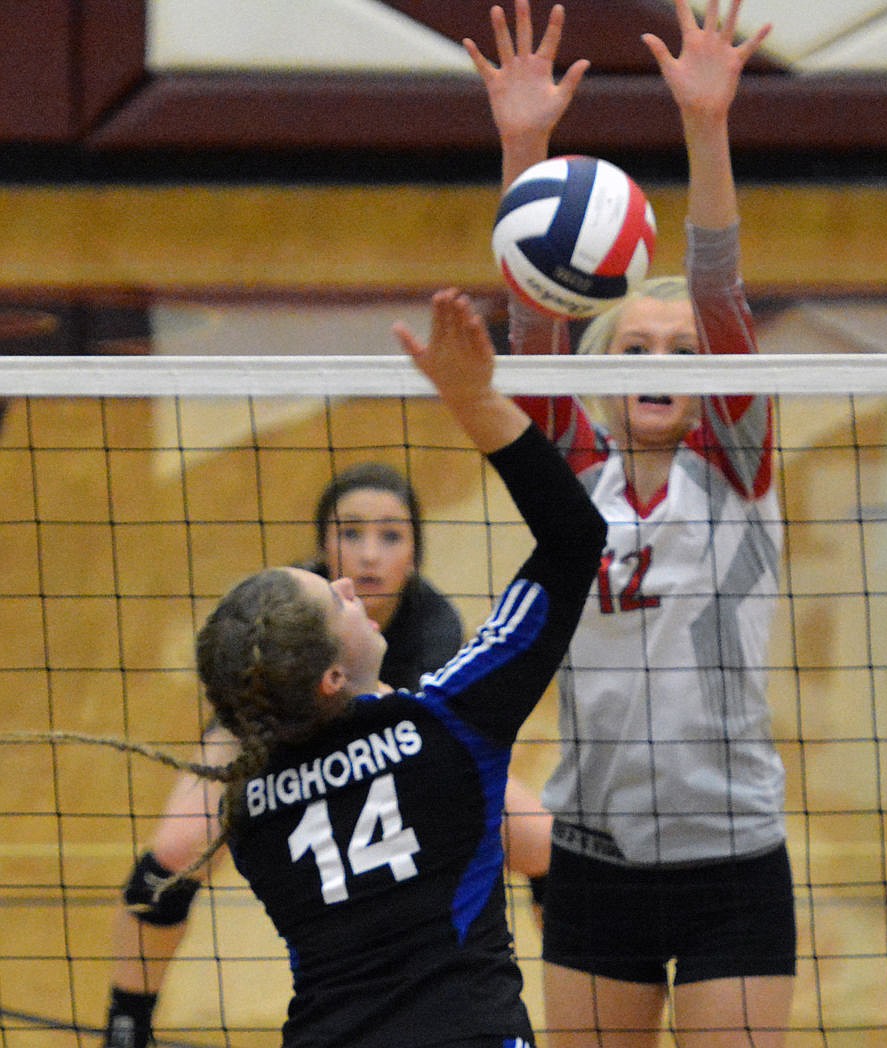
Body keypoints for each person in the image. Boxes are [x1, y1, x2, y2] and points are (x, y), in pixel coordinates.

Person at [465, 2, 796, 1045]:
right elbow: (533, 310)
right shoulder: (574, 478)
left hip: (733, 863)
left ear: (707, 375)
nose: (658, 364)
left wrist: (707, 126)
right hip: (595, 862)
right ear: (598, 376)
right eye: (633, 349)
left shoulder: (737, 469)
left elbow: (718, 284)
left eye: (678, 350)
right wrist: (525, 148)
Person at [175, 288, 606, 1047]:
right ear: (330, 677)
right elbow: (574, 535)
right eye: (334, 600)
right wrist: (473, 398)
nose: (351, 584)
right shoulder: (448, 725)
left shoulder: (248, 813)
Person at [102, 459, 552, 1047]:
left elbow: (429, 749)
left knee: (547, 844)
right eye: (350, 534)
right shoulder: (294, 607)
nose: (368, 556)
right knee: (171, 855)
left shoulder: (431, 627)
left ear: (416, 552)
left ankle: (586, 1005)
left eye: (390, 536)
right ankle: (126, 1022)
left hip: (392, 746)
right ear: (321, 546)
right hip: (270, 734)